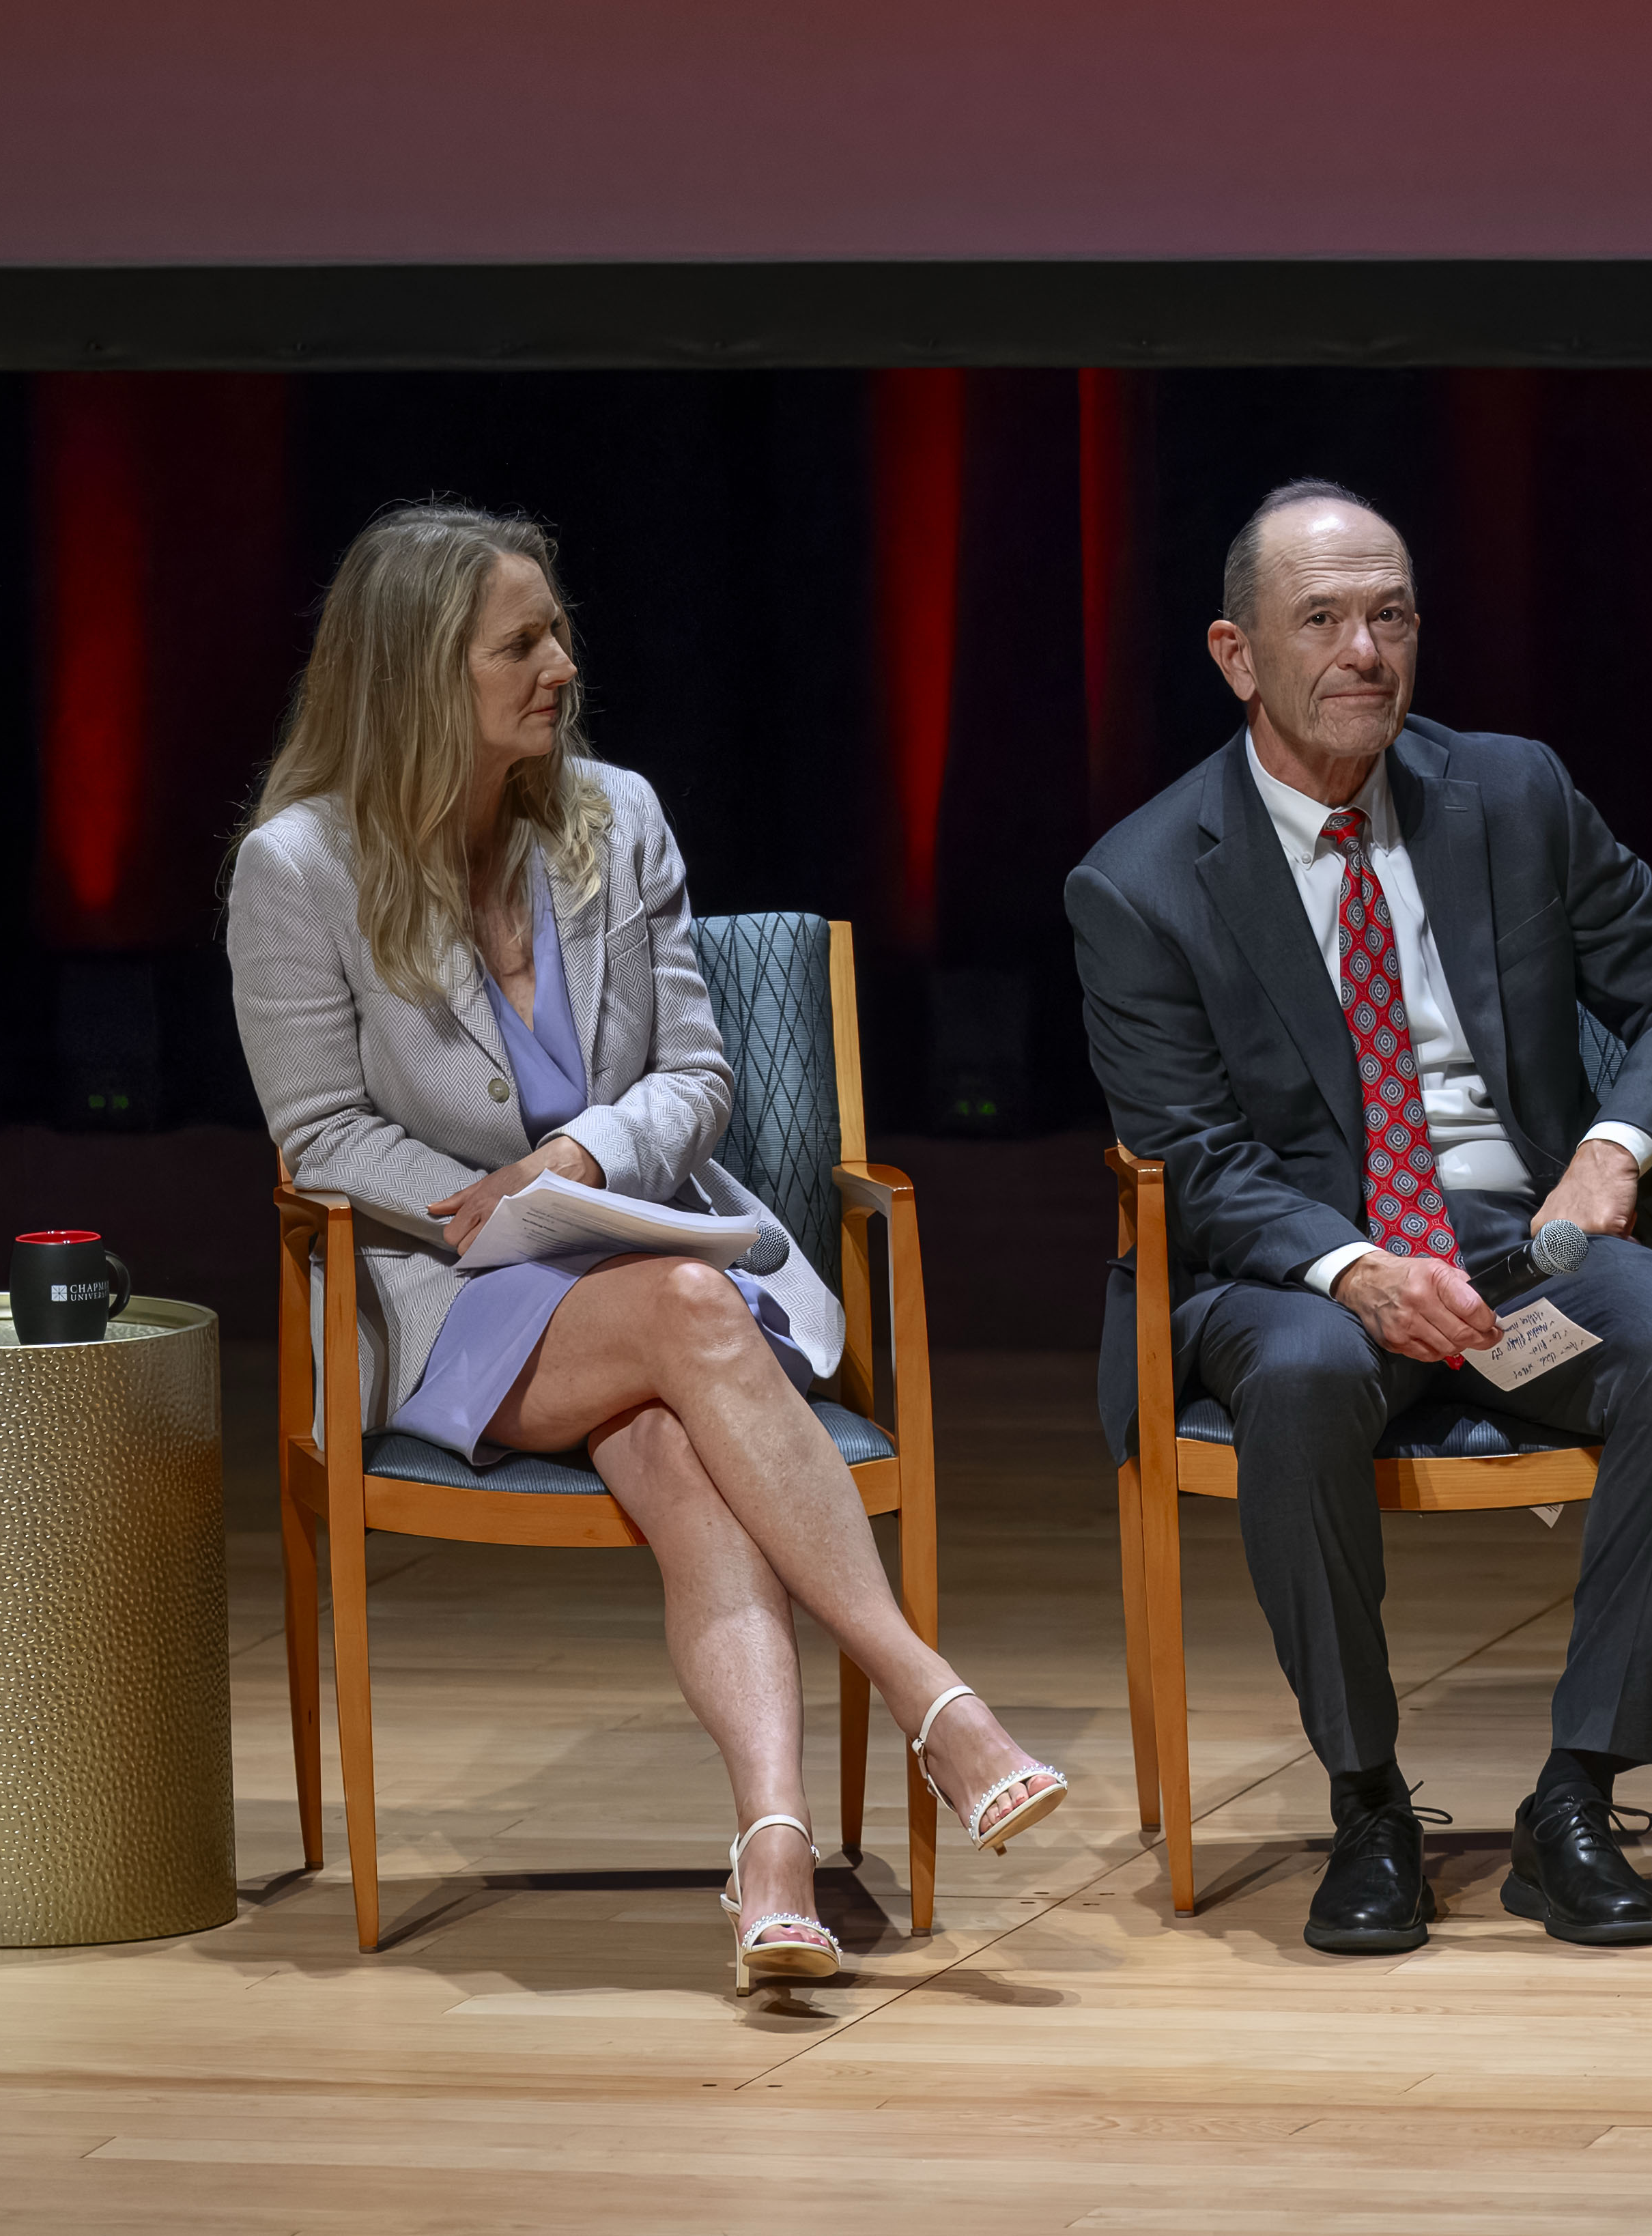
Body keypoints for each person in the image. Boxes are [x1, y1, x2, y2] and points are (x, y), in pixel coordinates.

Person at [227, 505, 1064, 1994]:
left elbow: (697, 1075)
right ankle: (932, 1696)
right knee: (686, 1307)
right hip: (447, 1293)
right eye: (521, 644)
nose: (563, 665)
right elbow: (323, 1134)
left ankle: (776, 1851)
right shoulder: (297, 869)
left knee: (676, 1441)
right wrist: (494, 1207)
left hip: (641, 1256)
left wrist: (581, 1164)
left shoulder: (615, 818)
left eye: (557, 631)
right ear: (419, 673)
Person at [1067, 479, 1652, 1954]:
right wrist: (1357, 1268)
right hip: (1294, 1268)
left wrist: (1615, 1150)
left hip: (1524, 1245)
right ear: (1237, 654)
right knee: (1307, 1376)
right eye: (1320, 619)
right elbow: (1190, 1157)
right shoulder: (1139, 883)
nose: (1364, 652)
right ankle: (1369, 1803)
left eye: (1390, 616)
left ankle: (1575, 1801)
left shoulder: (1511, 794)